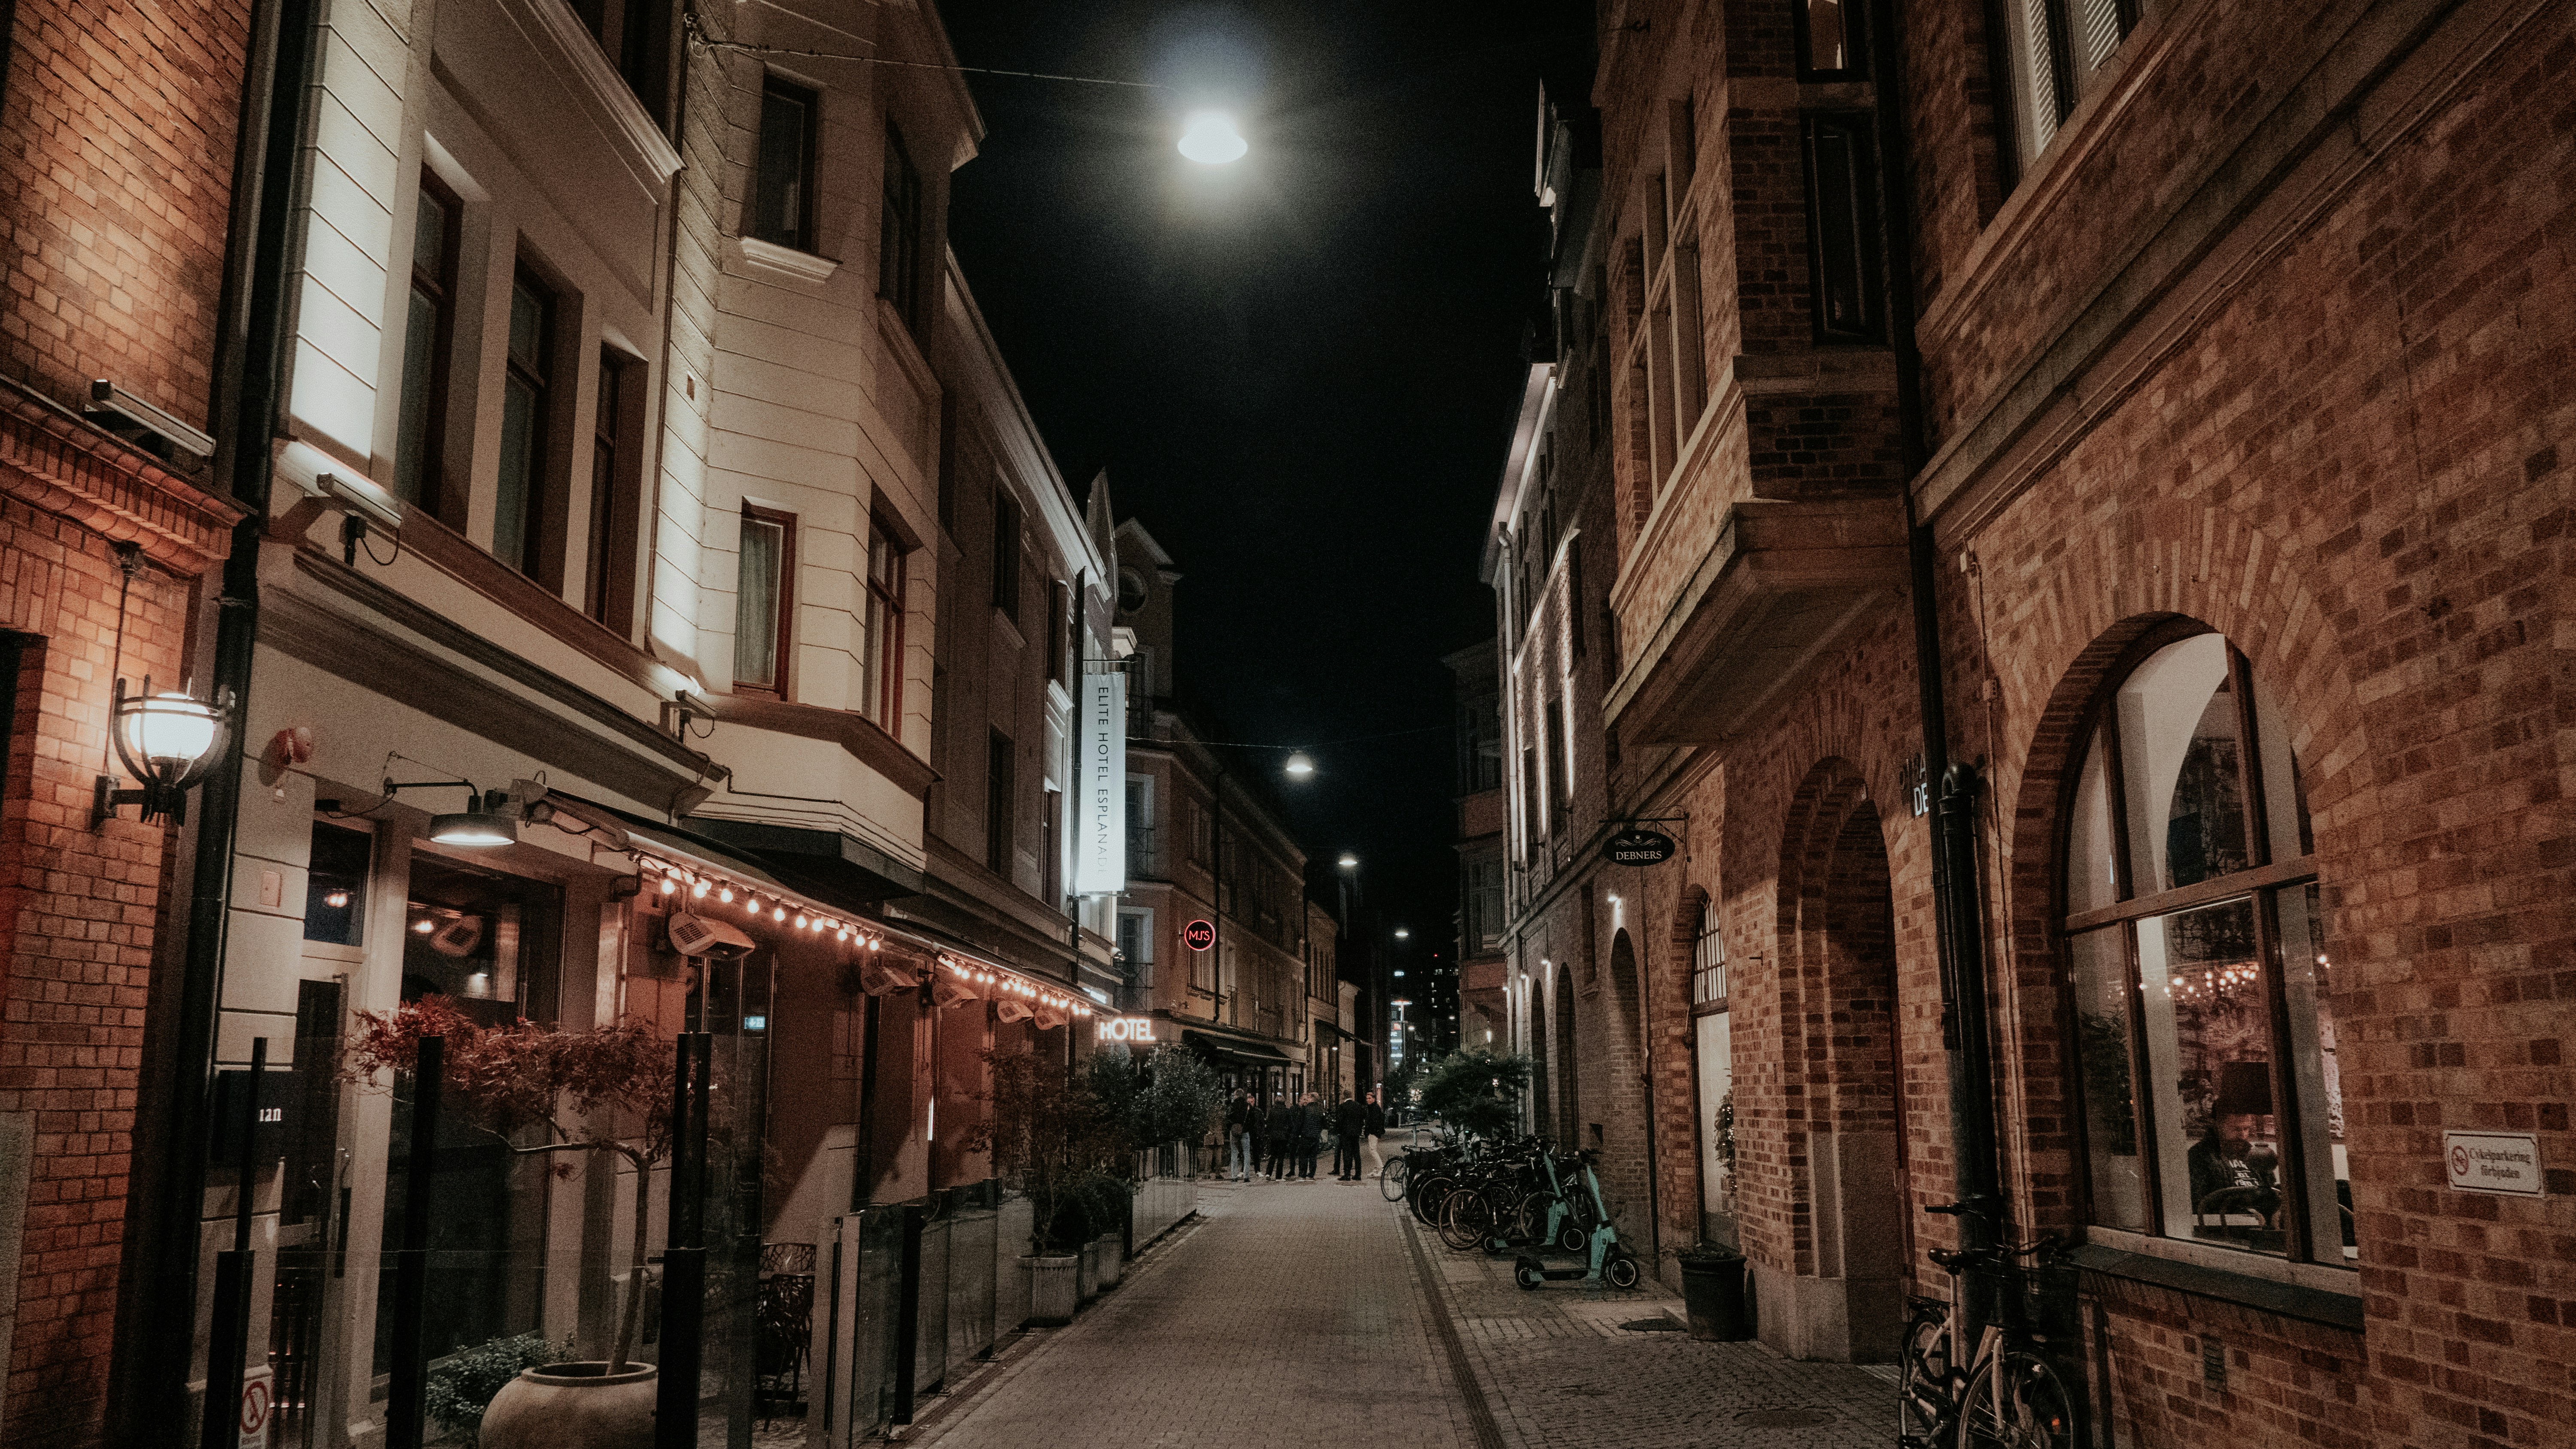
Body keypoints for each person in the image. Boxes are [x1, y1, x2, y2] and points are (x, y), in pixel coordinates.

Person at [2186, 1111, 2281, 1232]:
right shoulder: (2199, 1156)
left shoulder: (2254, 1154)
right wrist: (2245, 1214)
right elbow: (2200, 1205)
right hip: (2227, 1230)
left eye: (2246, 1129)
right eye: (2236, 1129)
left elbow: (2270, 1190)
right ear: (2218, 1126)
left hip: (2262, 1225)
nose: (2242, 1135)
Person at [1333, 1093, 1366, 1180]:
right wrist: (1359, 1127)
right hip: (1356, 1134)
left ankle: (1347, 1174)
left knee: (1347, 1154)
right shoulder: (1358, 1106)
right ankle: (1358, 1174)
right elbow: (1363, 1117)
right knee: (1357, 1154)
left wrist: (1339, 1131)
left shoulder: (1342, 1107)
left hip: (1346, 1134)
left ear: (1344, 1097)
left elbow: (1340, 1121)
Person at [1265, 1093, 1296, 1181]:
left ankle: (1268, 1174)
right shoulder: (1287, 1111)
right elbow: (1291, 1125)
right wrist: (1288, 1133)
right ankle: (1279, 1177)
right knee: (1281, 1157)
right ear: (1284, 1102)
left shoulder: (1272, 1111)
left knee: (1273, 1155)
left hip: (1274, 1137)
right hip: (1283, 1137)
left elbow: (1269, 1123)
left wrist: (1270, 1133)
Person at [1224, 1090, 1253, 1182]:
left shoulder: (1232, 1106)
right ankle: (1246, 1176)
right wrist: (1247, 1128)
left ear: (1236, 1096)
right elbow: (1252, 1120)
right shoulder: (1248, 1106)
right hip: (1245, 1132)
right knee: (1247, 1153)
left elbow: (1227, 1120)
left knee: (1234, 1153)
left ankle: (1234, 1176)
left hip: (1234, 1132)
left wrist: (1231, 1128)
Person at [1295, 1091, 1324, 1180]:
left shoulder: (1305, 1109)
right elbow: (1323, 1123)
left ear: (1312, 1099)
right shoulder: (1320, 1110)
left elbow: (1300, 1122)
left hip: (1306, 1135)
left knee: (1304, 1155)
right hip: (1315, 1135)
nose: (1307, 1099)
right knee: (1313, 1156)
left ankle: (1303, 1174)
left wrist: (1298, 1134)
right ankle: (1312, 1173)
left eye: (1308, 1097)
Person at [1362, 1088, 1388, 1179]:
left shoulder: (1375, 1108)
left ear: (1374, 1099)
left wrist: (1373, 1131)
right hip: (1372, 1132)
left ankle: (1381, 1169)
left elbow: (1375, 1121)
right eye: (1367, 1099)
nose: (1368, 1100)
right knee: (1373, 1150)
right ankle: (1377, 1168)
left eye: (1370, 1098)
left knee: (1373, 1150)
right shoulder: (1373, 1108)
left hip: (1373, 1132)